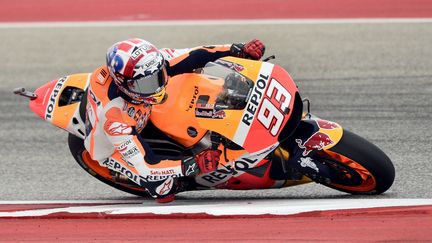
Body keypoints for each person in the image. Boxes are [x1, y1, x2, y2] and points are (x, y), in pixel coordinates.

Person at [84, 38, 265, 202]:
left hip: (143, 110)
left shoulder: (151, 63)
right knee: (163, 189)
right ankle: (182, 183)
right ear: (125, 85)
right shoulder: (115, 119)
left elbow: (195, 54)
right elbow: (148, 165)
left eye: (158, 76)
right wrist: (192, 165)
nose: (157, 86)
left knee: (194, 78)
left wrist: (237, 49)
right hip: (111, 146)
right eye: (147, 84)